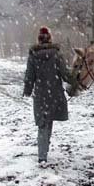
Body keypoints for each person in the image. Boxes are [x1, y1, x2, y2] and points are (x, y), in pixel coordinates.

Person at [23, 26, 75, 164]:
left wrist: (27, 91)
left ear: (38, 39)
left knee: (43, 124)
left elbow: (29, 76)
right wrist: (76, 81)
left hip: (40, 95)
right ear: (50, 38)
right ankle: (44, 153)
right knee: (49, 121)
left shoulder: (33, 56)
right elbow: (65, 75)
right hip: (55, 94)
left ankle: (42, 155)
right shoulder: (57, 55)